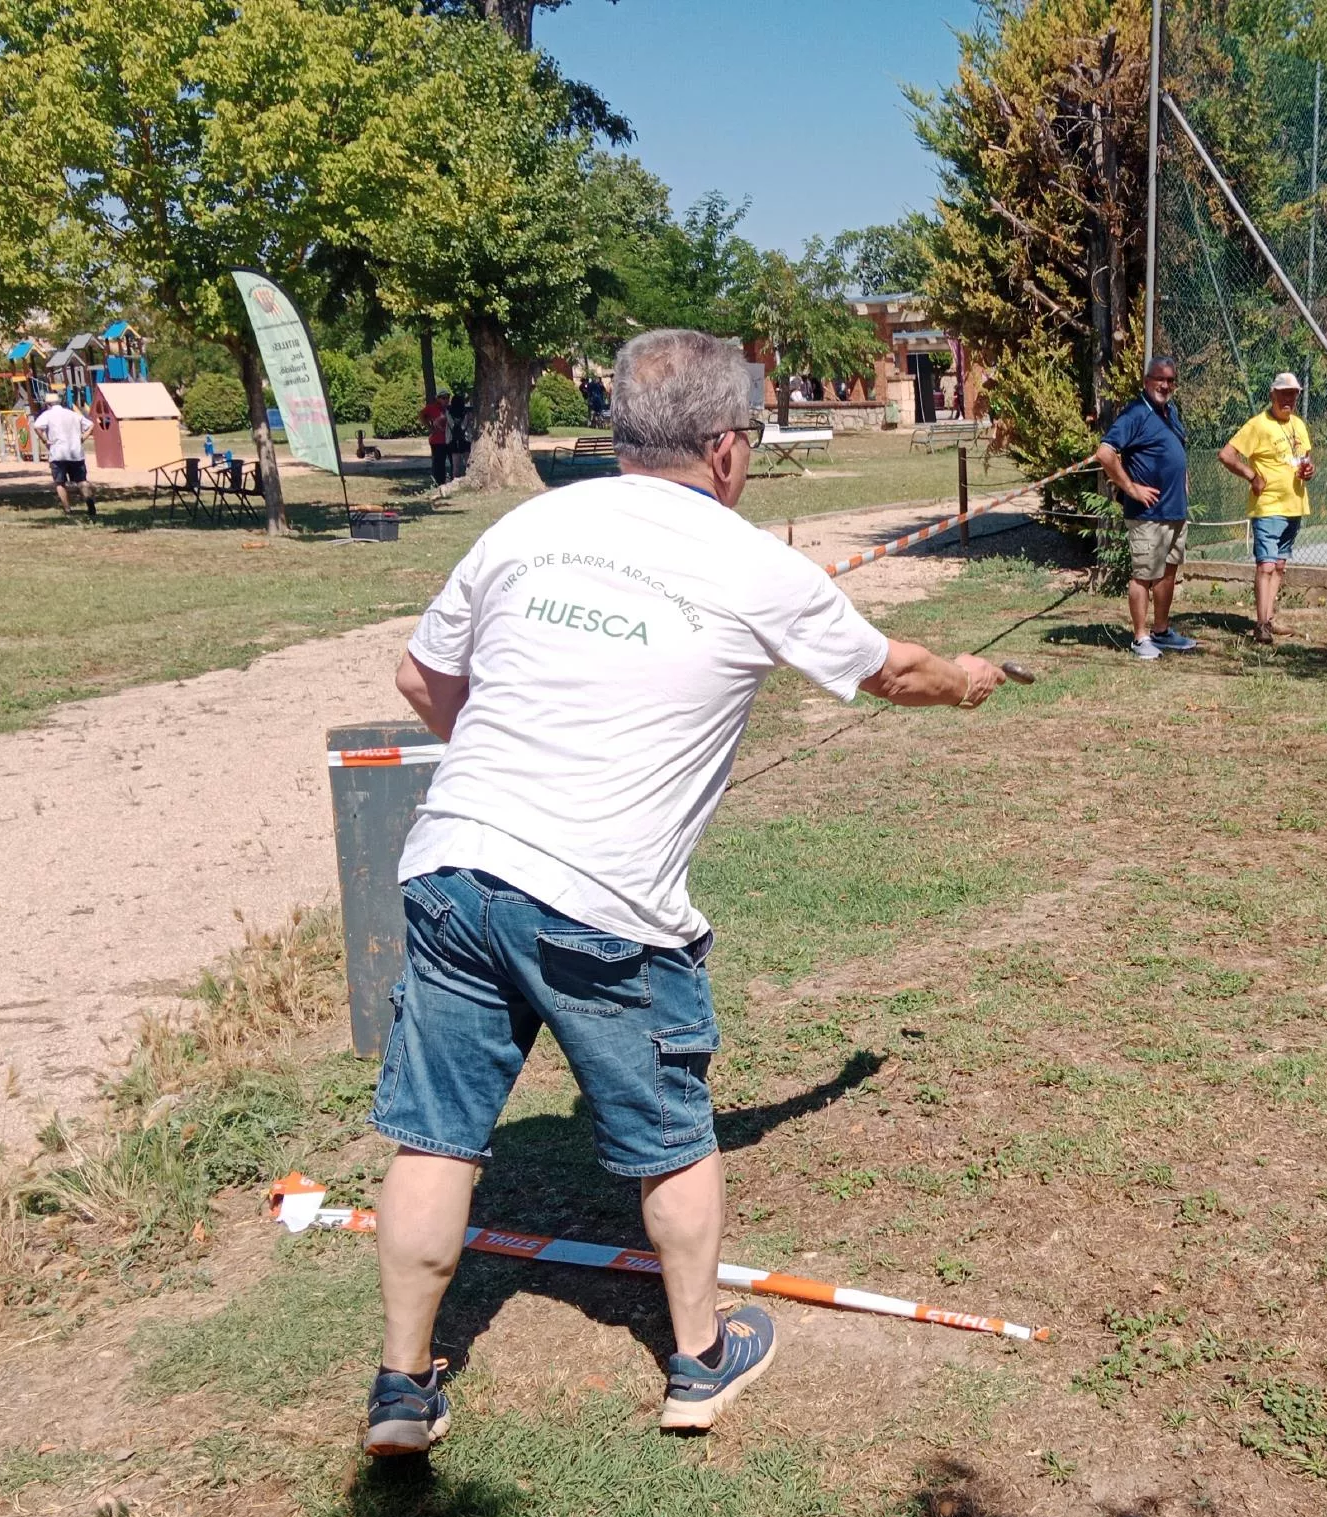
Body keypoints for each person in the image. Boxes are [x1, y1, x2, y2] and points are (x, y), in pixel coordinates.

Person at [364, 328, 1010, 1455]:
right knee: (673, 1138)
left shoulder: (530, 523)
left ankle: (402, 1390)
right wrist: (966, 684)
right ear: (722, 448)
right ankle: (701, 1361)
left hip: (453, 864)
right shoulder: (750, 558)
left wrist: (519, 787)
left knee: (435, 1140)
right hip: (601, 903)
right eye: (750, 440)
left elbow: (420, 676)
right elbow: (894, 671)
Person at [1097, 357, 1197, 660]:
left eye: (1170, 380)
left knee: (1168, 572)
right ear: (1146, 381)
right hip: (1147, 515)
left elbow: (1175, 450)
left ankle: (1162, 632)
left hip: (1174, 510)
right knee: (1143, 575)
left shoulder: (1170, 412)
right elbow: (1105, 453)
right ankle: (1140, 638)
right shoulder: (1136, 412)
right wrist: (1131, 488)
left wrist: (1184, 481)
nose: (1164, 385)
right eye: (1159, 379)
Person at [1218, 372, 1315, 644]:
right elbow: (1226, 455)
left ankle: (1269, 619)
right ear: (1272, 394)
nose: (1289, 398)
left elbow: (1306, 460)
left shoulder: (1299, 425)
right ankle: (1261, 625)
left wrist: (1309, 470)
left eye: (1293, 393)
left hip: (1294, 506)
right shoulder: (1258, 425)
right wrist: (1252, 477)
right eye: (1283, 393)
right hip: (1268, 507)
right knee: (1266, 566)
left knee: (1280, 565)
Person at [31, 396, 97, 519]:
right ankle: (89, 503)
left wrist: (45, 439)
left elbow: (37, 426)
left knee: (60, 483)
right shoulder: (72, 414)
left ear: (48, 404)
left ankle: (67, 509)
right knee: (81, 480)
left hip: (58, 452)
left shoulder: (48, 414)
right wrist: (83, 437)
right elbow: (91, 425)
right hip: (76, 452)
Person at [419, 391, 451, 486]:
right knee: (438, 463)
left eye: (447, 397)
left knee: (452, 461)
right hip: (437, 440)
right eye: (443, 398)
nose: (446, 400)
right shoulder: (432, 408)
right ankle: (438, 482)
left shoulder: (449, 409)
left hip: (449, 439)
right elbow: (421, 416)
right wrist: (429, 427)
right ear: (438, 398)